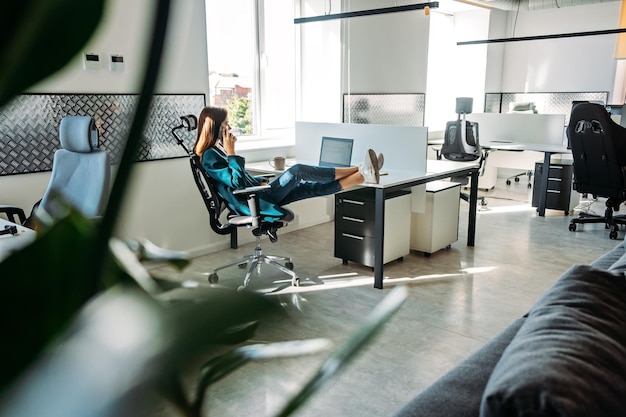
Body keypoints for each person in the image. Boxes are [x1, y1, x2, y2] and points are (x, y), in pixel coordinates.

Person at [193, 106, 383, 223]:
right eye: (226, 123)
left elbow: (238, 180)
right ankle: (360, 168)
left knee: (309, 188)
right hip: (252, 201)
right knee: (297, 171)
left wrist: (257, 180)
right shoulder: (210, 155)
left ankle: (363, 175)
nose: (230, 127)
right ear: (215, 127)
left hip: (257, 193)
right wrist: (232, 152)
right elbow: (236, 184)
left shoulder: (217, 150)